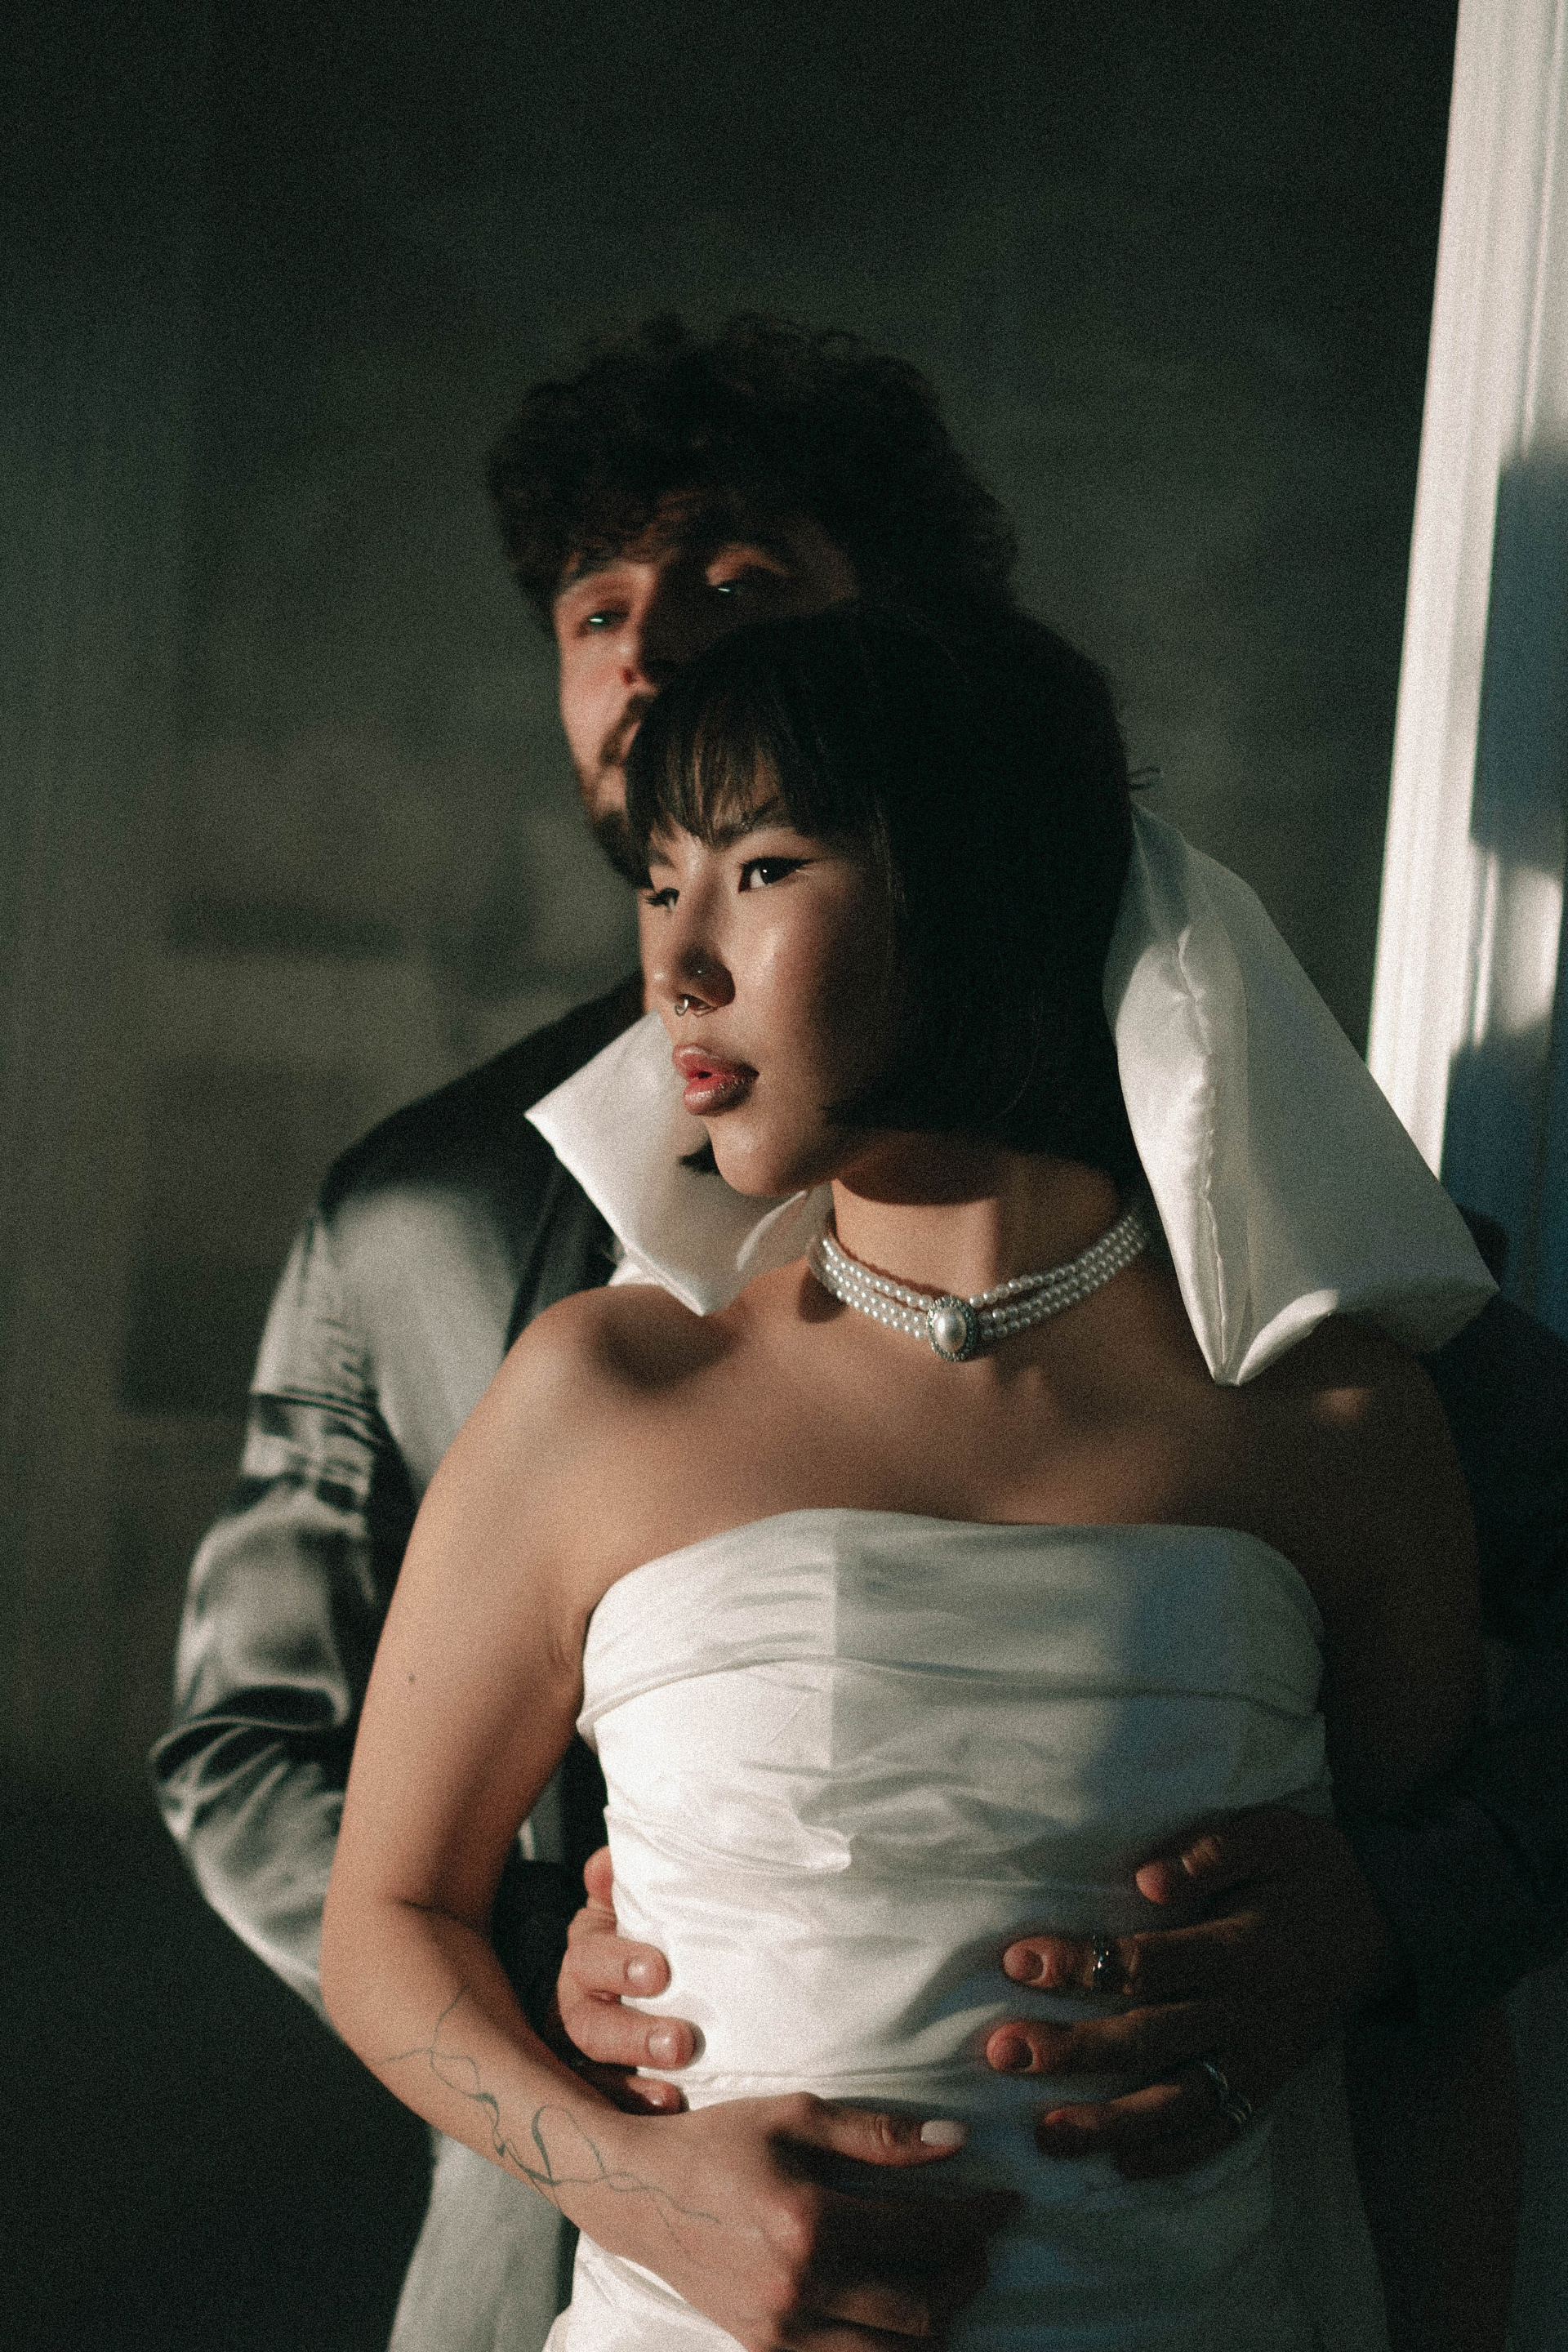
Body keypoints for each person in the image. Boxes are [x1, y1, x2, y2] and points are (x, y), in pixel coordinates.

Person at [152, 317, 1568, 2352]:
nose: (657, 654)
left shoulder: (1304, 1303)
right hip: (595, 2242)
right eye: (598, 611)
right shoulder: (434, 1216)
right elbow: (267, 1767)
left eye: (736, 585)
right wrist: (593, 1994)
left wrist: (1395, 1919)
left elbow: (1446, 2001)